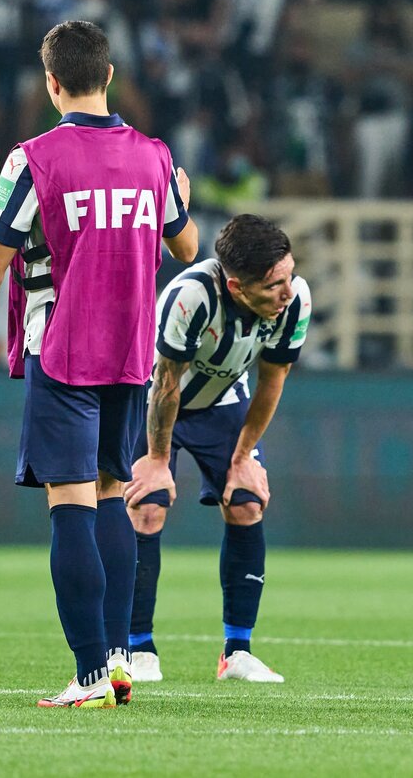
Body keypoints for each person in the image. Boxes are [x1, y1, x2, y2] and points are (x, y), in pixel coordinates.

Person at [0, 21, 198, 709]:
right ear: (110, 77)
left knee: (70, 503)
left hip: (64, 349)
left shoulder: (33, 160)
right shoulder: (155, 157)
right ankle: (118, 656)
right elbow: (188, 246)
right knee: (112, 492)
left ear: (51, 84)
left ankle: (90, 673)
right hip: (131, 353)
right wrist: (181, 196)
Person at [123, 214, 310, 684]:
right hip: (150, 399)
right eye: (273, 285)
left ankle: (237, 652)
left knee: (247, 503)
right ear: (236, 287)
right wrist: (158, 460)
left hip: (222, 401)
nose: (287, 292)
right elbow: (166, 383)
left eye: (289, 276)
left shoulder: (296, 300)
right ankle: (138, 650)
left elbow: (273, 380)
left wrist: (244, 457)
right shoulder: (192, 297)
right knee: (147, 506)